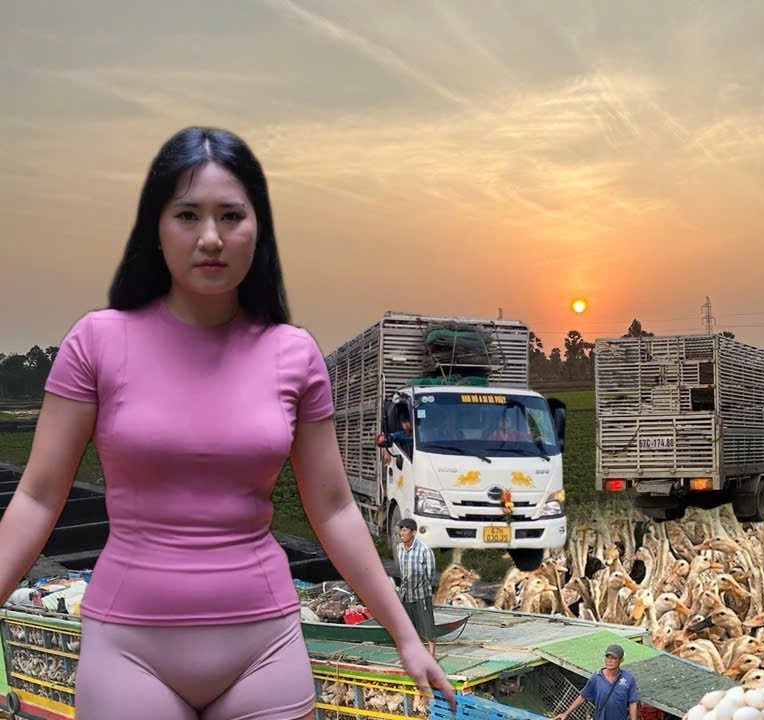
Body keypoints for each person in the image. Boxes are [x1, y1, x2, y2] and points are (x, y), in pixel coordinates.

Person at [0, 127, 456, 718]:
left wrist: (406, 638)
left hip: (264, 651)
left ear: (258, 228)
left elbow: (334, 509)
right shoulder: (97, 343)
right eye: (187, 215)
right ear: (156, 228)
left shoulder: (293, 354)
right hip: (129, 651)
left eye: (231, 216)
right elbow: (36, 498)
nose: (211, 237)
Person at [551, 644, 639, 720]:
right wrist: (566, 713)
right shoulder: (597, 677)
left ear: (621, 660)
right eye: (607, 657)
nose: (609, 661)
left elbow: (632, 702)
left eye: (613, 658)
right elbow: (583, 696)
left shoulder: (628, 678)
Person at [396, 517, 438, 656]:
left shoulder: (425, 550)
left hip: (421, 594)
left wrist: (423, 587)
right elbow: (402, 571)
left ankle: (431, 655)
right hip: (406, 594)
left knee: (427, 624)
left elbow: (431, 574)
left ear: (413, 532)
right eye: (401, 530)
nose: (402, 533)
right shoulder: (399, 548)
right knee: (409, 627)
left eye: (405, 530)